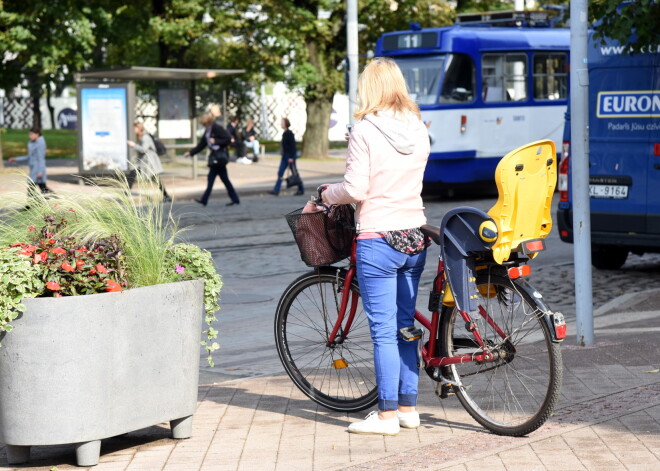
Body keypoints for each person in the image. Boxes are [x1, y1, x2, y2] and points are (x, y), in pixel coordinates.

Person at [320, 58, 431, 436]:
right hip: (415, 235)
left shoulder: (365, 130)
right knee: (405, 326)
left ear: (369, 88)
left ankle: (385, 416)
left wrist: (325, 193)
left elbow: (355, 189)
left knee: (383, 331)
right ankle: (408, 407)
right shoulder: (418, 127)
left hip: (378, 238)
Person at [184, 112, 240, 207]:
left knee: (217, 179)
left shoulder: (216, 128)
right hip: (215, 158)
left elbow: (228, 138)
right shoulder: (208, 131)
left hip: (220, 157)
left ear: (209, 122)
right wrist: (191, 152)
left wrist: (216, 141)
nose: (204, 126)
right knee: (217, 179)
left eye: (205, 124)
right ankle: (207, 199)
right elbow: (202, 144)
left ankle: (205, 199)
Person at [127, 122, 171, 202]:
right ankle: (126, 193)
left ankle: (166, 196)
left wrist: (133, 145)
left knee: (155, 179)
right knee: (133, 174)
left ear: (139, 128)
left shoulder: (145, 137)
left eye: (135, 128)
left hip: (149, 162)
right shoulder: (142, 137)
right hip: (144, 162)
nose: (134, 130)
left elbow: (144, 149)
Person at [8, 127, 52, 205]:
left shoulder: (40, 144)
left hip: (38, 169)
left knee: (32, 187)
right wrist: (16, 159)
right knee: (43, 188)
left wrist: (40, 171)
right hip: (34, 169)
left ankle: (29, 206)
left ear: (37, 134)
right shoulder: (32, 143)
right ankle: (51, 201)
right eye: (29, 134)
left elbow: (41, 159)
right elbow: (29, 157)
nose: (30, 136)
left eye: (31, 134)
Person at [268, 117, 304, 196]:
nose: (281, 124)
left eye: (282, 122)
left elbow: (292, 146)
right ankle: (276, 190)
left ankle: (301, 189)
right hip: (285, 155)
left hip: (289, 156)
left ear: (285, 124)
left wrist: (291, 157)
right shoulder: (285, 133)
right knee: (280, 172)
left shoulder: (289, 133)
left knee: (294, 172)